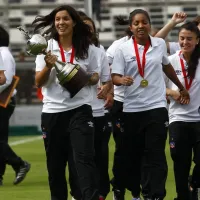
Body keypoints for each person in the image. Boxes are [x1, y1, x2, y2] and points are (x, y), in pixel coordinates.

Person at [111, 9, 190, 200]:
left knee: (155, 154)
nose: (140, 26)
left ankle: (154, 195)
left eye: (144, 22)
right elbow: (114, 77)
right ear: (131, 27)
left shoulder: (159, 44)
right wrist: (122, 81)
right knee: (135, 156)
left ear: (149, 24)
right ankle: (135, 190)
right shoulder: (122, 49)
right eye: (136, 23)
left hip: (156, 107)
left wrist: (181, 87)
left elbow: (166, 66)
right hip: (131, 109)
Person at [32, 5, 102, 200]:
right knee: (55, 167)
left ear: (74, 22)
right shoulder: (46, 47)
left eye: (65, 19)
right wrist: (48, 67)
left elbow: (96, 77)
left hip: (80, 110)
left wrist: (79, 76)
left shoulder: (88, 48)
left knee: (83, 160)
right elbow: (39, 82)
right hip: (53, 112)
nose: (61, 23)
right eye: (57, 19)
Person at [68, 15, 112, 200]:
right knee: (76, 158)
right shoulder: (69, 50)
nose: (87, 30)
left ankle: (101, 193)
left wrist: (107, 91)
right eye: (83, 26)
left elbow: (106, 80)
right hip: (77, 111)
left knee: (99, 155)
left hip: (98, 111)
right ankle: (78, 193)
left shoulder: (99, 50)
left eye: (90, 27)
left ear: (93, 31)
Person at [165, 21, 200, 200]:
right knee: (180, 164)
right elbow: (156, 87)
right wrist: (172, 92)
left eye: (189, 39)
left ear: (197, 40)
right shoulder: (170, 61)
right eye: (182, 38)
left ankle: (194, 183)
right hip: (178, 119)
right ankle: (183, 196)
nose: (185, 42)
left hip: (198, 119)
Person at [0, 25, 31, 186]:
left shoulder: (3, 54)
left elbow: (7, 80)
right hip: (4, 100)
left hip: (3, 101)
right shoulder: (4, 53)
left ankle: (19, 164)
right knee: (1, 140)